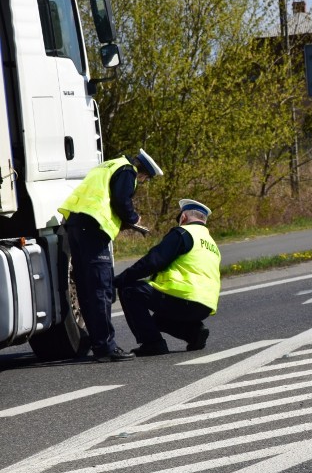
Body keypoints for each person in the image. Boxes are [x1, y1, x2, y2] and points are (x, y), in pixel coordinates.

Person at [58, 150, 163, 362]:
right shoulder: (127, 171)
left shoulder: (108, 165)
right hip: (94, 231)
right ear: (143, 173)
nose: (141, 182)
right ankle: (106, 347)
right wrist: (133, 217)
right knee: (101, 288)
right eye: (144, 179)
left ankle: (98, 343)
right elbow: (121, 199)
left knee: (86, 289)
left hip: (76, 227)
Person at [114, 199, 221, 356]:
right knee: (157, 320)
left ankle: (152, 343)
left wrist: (119, 280)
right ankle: (193, 333)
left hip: (182, 297)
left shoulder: (183, 233)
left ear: (183, 217)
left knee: (130, 290)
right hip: (204, 306)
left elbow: (153, 261)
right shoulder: (212, 244)